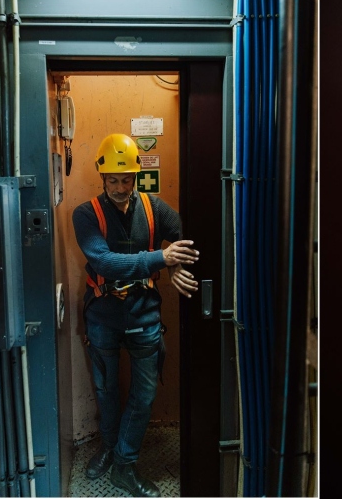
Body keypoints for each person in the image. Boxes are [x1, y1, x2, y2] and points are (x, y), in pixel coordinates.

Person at [72, 133, 200, 497]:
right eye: (112, 180)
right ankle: (111, 450)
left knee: (143, 396)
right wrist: (163, 259)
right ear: (102, 178)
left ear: (135, 177)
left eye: (125, 179)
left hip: (144, 316)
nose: (119, 187)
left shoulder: (153, 208)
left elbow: (186, 241)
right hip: (103, 318)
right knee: (106, 390)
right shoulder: (86, 214)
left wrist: (177, 264)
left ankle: (124, 464)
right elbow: (104, 261)